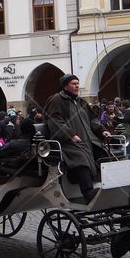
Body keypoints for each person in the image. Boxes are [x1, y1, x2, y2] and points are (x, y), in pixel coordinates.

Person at [44, 74, 110, 203]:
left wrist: (103, 131)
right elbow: (55, 120)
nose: (77, 86)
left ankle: (107, 186)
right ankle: (88, 192)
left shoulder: (80, 101)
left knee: (104, 152)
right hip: (67, 143)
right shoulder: (57, 100)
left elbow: (93, 120)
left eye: (78, 83)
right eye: (73, 84)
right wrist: (70, 135)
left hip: (87, 140)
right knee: (81, 158)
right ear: (65, 86)